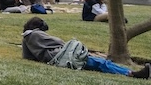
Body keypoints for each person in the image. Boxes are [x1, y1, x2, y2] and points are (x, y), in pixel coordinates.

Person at [21, 16, 149, 77]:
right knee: (101, 63)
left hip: (58, 56)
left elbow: (27, 56)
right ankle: (131, 74)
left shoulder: (27, 38)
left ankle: (131, 72)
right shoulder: (34, 34)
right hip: (62, 57)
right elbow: (58, 42)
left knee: (100, 63)